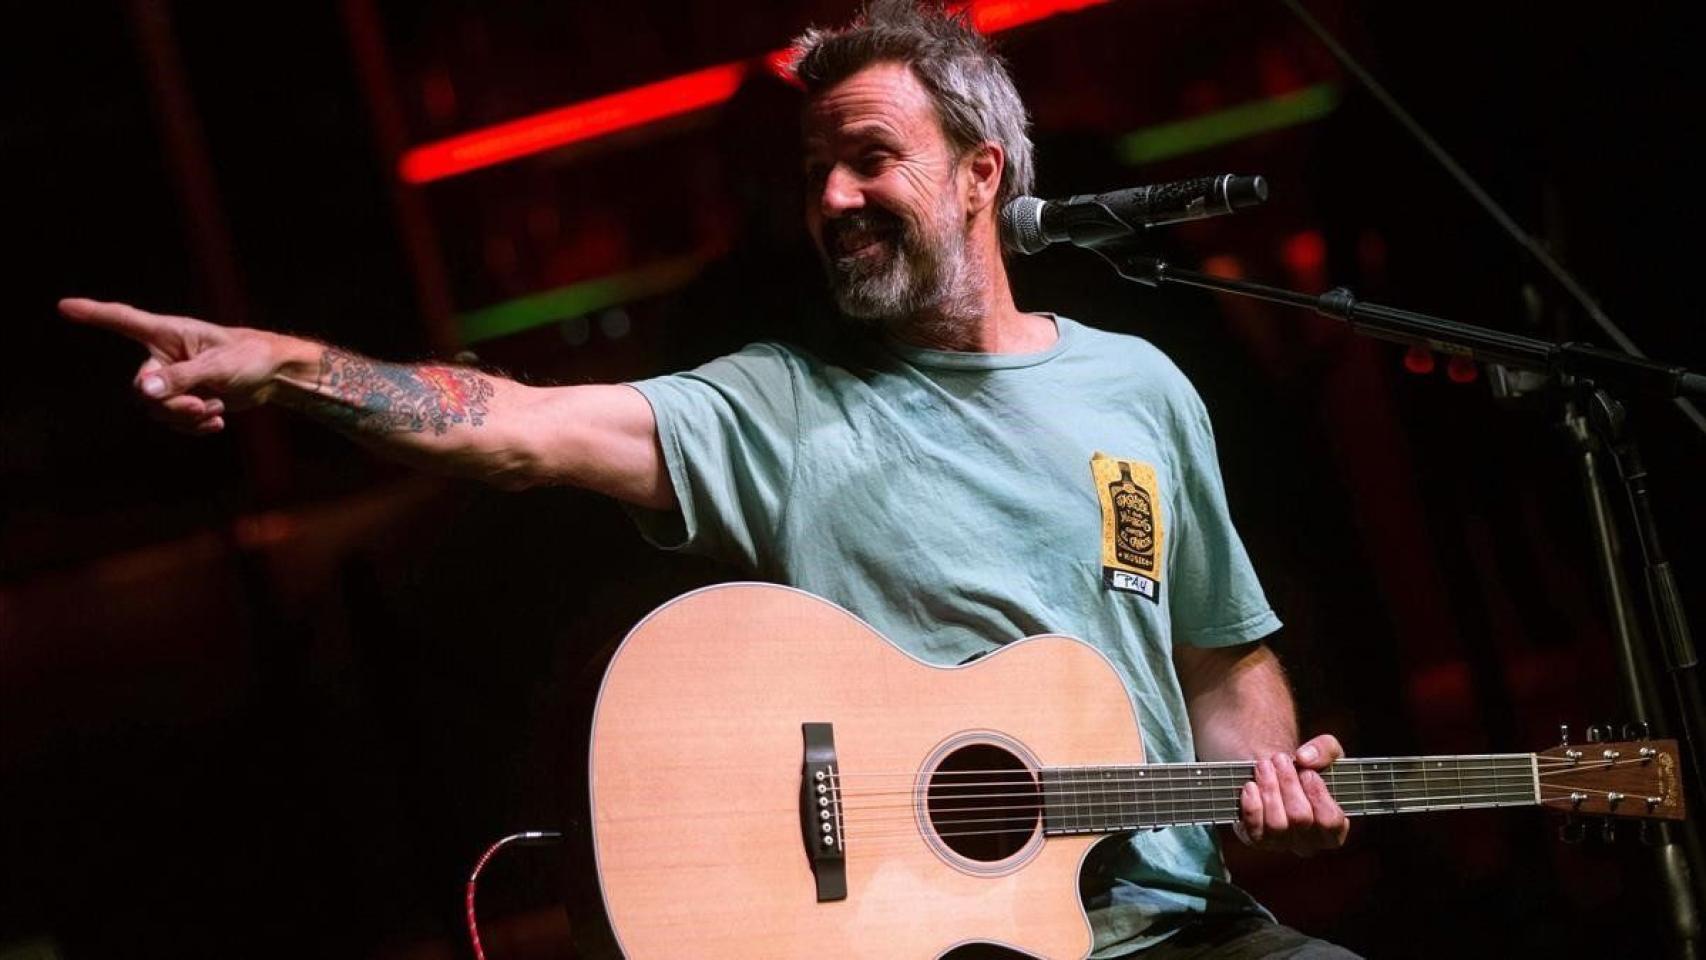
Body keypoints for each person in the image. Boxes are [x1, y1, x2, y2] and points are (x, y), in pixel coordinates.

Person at [61, 2, 1357, 956]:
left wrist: (1271, 793)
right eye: (813, 175)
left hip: (1186, 926)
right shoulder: (773, 405)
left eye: (867, 158)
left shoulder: (1135, 385)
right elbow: (507, 425)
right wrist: (282, 366)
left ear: (981, 171)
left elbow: (1213, 659)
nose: (833, 198)